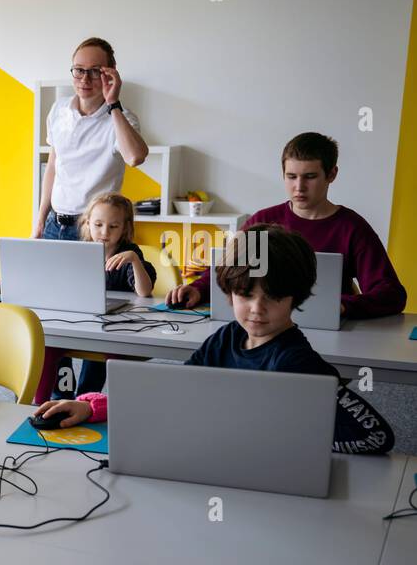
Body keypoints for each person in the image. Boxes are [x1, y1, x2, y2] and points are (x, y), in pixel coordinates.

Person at [36, 224, 394, 455]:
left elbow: (375, 435)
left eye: (272, 297)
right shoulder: (227, 337)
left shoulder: (294, 361)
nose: (256, 309)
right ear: (229, 294)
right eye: (245, 295)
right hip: (216, 459)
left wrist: (297, 443)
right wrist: (94, 407)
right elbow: (180, 389)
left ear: (296, 298)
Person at [166, 132, 407, 318]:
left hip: (324, 330)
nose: (299, 187)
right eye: (291, 177)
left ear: (331, 174)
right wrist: (198, 288)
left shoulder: (351, 227)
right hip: (261, 324)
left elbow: (391, 295)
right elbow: (225, 269)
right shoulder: (263, 220)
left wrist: (342, 306)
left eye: (310, 177)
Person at [40, 193, 157, 399]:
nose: (104, 232)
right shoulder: (80, 250)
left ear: (124, 228)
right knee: (49, 343)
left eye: (113, 226)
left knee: (100, 351)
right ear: (87, 224)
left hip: (115, 325)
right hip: (81, 318)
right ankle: (56, 396)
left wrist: (135, 261)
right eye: (98, 224)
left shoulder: (128, 252)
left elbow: (144, 291)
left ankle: (85, 397)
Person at [34, 37, 148, 241]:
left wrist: (113, 103)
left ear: (111, 73)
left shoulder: (121, 118)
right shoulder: (59, 109)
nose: (85, 79)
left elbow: (135, 157)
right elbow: (53, 165)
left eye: (95, 71)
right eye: (79, 70)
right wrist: (40, 218)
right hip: (54, 223)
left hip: (93, 229)